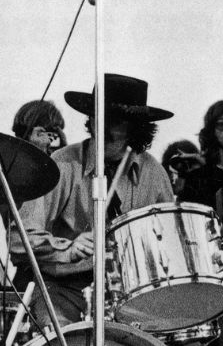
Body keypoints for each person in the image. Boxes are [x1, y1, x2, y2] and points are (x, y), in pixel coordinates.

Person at [12, 73, 175, 322]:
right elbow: (18, 239)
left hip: (133, 294)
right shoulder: (62, 164)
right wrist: (68, 248)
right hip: (67, 289)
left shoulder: (154, 173)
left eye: (117, 120)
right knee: (57, 333)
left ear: (135, 127)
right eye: (100, 116)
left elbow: (169, 245)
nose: (105, 126)